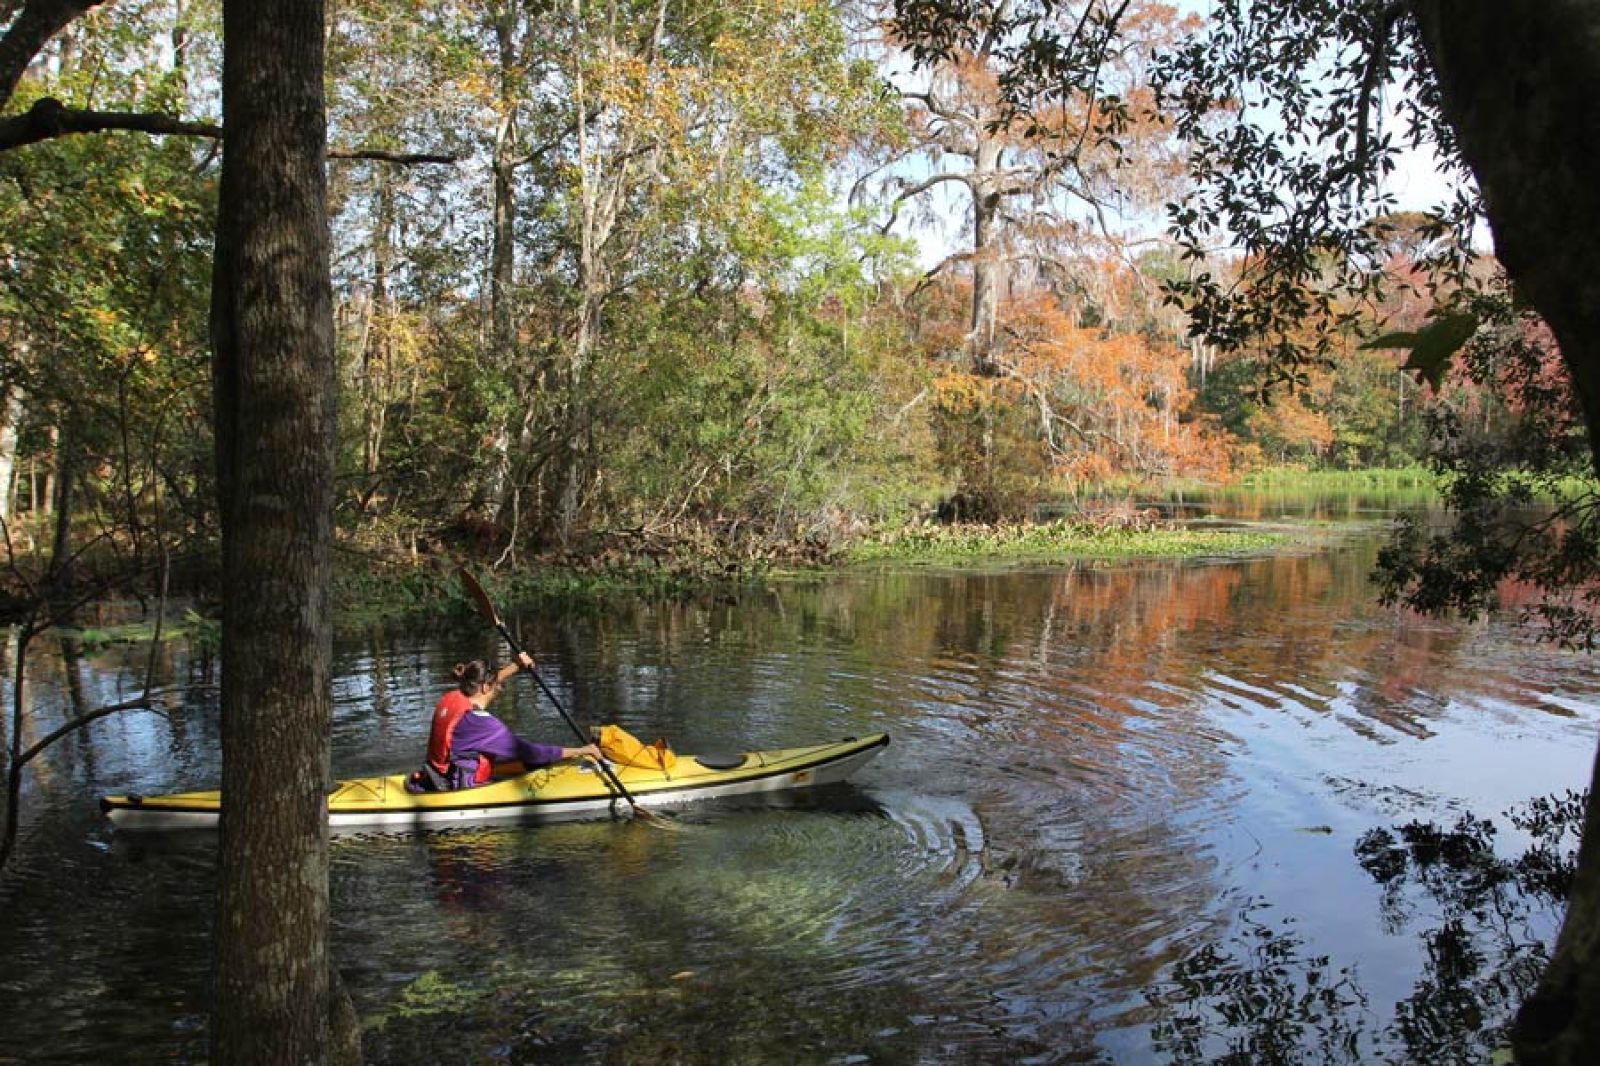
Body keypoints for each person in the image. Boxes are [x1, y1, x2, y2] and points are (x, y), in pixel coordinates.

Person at [406, 651, 601, 793]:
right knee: (532, 759)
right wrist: (581, 750)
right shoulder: (486, 726)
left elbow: (481, 682)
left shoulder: (452, 697)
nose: (500, 687)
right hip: (464, 788)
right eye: (497, 685)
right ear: (486, 686)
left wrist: (516, 665)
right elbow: (532, 753)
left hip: (436, 778)